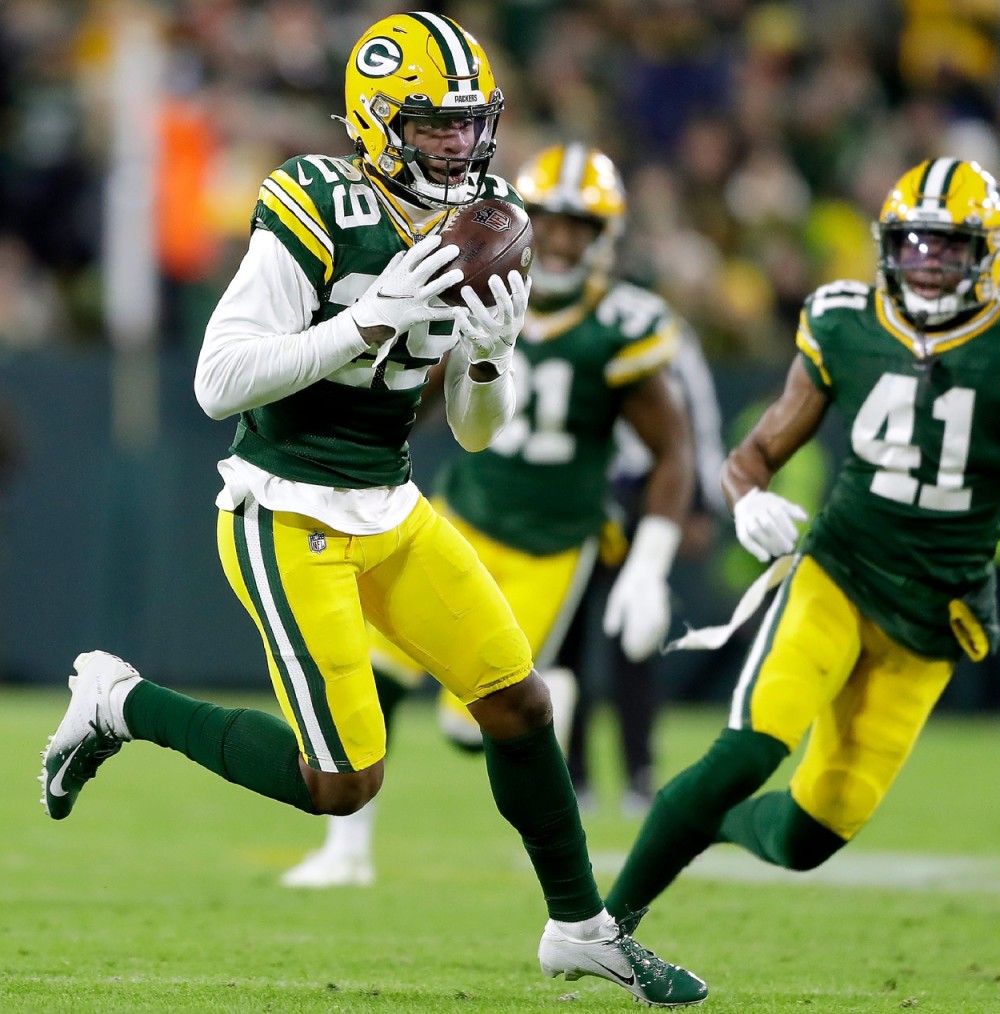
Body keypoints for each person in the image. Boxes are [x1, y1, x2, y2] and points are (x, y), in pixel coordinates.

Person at [37, 14, 706, 1007]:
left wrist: (488, 357)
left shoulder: (486, 221)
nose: (464, 148)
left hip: (389, 503)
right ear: (378, 122)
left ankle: (581, 928)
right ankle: (118, 702)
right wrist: (368, 318)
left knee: (522, 704)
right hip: (284, 508)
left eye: (474, 126)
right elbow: (219, 382)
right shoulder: (315, 198)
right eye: (438, 127)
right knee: (343, 781)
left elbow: (475, 429)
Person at [603, 157, 1000, 935]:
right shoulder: (845, 322)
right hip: (838, 573)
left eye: (947, 246)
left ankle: (710, 825)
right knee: (745, 753)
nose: (926, 263)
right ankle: (599, 927)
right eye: (912, 244)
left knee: (809, 839)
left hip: (933, 619)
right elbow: (754, 456)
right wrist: (747, 503)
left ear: (991, 253)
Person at [280, 140, 699, 889]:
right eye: (551, 222)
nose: (563, 241)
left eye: (580, 226)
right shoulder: (476, 280)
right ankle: (345, 851)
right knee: (377, 678)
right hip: (463, 518)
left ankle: (556, 695)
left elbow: (673, 448)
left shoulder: (624, 323)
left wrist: (650, 562)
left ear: (606, 237)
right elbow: (428, 392)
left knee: (471, 724)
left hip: (551, 543)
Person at [565, 323, 726, 817]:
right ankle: (572, 774)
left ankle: (639, 771)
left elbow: (696, 418)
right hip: (571, 489)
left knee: (635, 638)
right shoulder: (566, 321)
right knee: (563, 640)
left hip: (639, 493)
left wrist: (699, 502)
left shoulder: (659, 329)